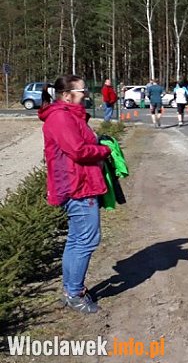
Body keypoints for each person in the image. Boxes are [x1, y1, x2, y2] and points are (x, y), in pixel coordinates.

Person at [39, 75, 112, 314]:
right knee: (87, 239)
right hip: (77, 185)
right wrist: (103, 150)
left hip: (79, 182)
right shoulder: (60, 117)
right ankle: (75, 293)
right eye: (82, 91)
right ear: (66, 95)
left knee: (76, 239)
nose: (86, 94)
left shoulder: (69, 115)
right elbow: (78, 150)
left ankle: (70, 289)